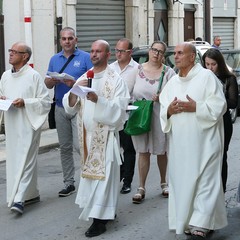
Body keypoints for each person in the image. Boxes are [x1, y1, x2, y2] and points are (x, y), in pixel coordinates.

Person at [159, 42, 228, 238]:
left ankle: (201, 223)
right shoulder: (172, 82)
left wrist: (196, 107)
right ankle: (189, 220)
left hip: (206, 141)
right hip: (181, 144)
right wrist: (169, 111)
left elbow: (219, 105)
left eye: (181, 53)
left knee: (206, 181)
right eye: (175, 53)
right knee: (184, 182)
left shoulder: (207, 77)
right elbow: (164, 108)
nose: (176, 56)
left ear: (192, 57)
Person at [63, 39, 130, 237]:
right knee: (92, 180)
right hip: (86, 138)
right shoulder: (85, 77)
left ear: (107, 54)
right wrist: (75, 93)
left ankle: (99, 221)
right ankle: (102, 212)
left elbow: (120, 110)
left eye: (98, 51)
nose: (93, 54)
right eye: (91, 51)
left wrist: (97, 100)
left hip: (106, 137)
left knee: (104, 180)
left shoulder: (115, 79)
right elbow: (70, 105)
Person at [0, 42, 51, 214]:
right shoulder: (6, 75)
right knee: (14, 161)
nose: (11, 54)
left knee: (27, 161)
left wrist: (25, 102)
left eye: (15, 52)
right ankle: (31, 194)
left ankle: (20, 199)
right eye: (10, 51)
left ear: (25, 56)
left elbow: (45, 101)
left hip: (29, 123)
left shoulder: (34, 76)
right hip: (12, 123)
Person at [45, 27, 93, 197]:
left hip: (79, 107)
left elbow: (91, 82)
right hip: (59, 107)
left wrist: (73, 83)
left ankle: (89, 178)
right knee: (65, 147)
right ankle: (69, 183)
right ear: (60, 41)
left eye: (70, 38)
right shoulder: (54, 59)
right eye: (64, 39)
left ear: (76, 40)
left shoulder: (86, 58)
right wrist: (51, 80)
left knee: (80, 146)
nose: (67, 41)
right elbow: (47, 84)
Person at [131, 41, 176, 204]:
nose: (156, 54)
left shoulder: (169, 72)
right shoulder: (137, 70)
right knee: (143, 151)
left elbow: (174, 94)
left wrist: (163, 98)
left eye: (160, 52)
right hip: (141, 114)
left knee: (161, 150)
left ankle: (164, 183)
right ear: (149, 51)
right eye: (154, 50)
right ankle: (141, 187)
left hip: (159, 115)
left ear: (164, 55)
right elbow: (127, 90)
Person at [202, 48, 238, 193]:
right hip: (205, 121)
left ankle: (220, 191)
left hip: (223, 121)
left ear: (220, 64)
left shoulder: (229, 78)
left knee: (221, 156)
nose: (210, 68)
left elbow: (234, 102)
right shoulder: (201, 78)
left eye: (213, 64)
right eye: (207, 64)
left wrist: (216, 103)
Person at [110, 38, 138, 194]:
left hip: (129, 114)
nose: (118, 54)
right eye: (116, 50)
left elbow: (139, 91)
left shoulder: (137, 69)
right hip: (113, 115)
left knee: (128, 149)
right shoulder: (110, 68)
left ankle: (127, 181)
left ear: (130, 52)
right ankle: (117, 174)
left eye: (122, 51)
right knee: (113, 149)